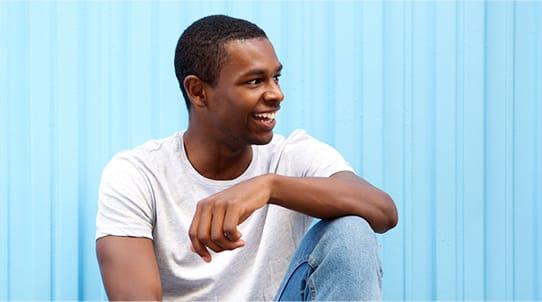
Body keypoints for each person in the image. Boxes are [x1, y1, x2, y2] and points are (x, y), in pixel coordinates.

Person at [95, 14, 398, 301]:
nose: (276, 94)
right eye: (254, 81)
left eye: (276, 78)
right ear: (198, 92)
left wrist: (268, 188)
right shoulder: (137, 174)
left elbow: (382, 211)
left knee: (351, 231)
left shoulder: (292, 155)